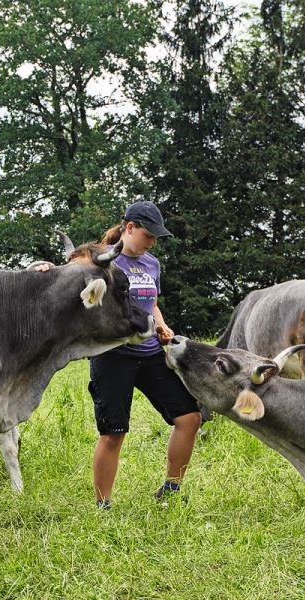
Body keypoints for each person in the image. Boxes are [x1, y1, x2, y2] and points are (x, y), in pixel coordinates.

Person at [42, 201, 201, 508]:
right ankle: (103, 504)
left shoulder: (151, 263)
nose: (152, 241)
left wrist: (162, 325)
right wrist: (46, 270)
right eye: (148, 234)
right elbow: (67, 280)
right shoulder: (99, 260)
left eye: (156, 236)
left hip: (151, 352)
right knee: (113, 432)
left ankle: (172, 488)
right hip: (113, 355)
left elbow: (152, 301)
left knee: (189, 417)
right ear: (129, 228)